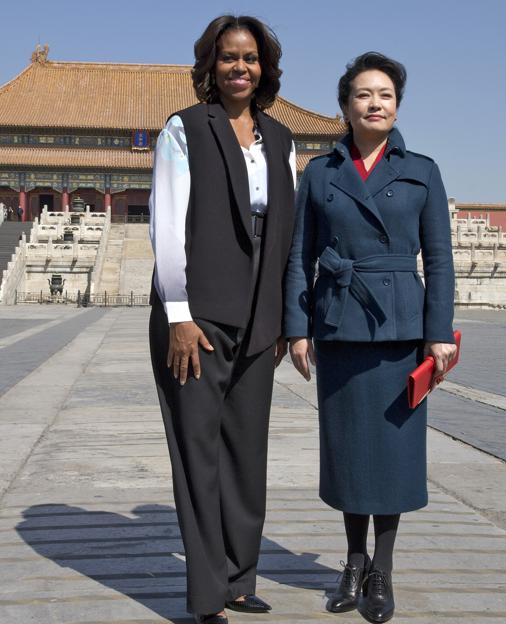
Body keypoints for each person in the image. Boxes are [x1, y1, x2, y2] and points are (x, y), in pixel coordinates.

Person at [283, 52, 457, 623]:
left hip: (400, 331)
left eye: (385, 94)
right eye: (363, 94)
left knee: (394, 456)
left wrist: (438, 334)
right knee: (349, 452)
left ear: (397, 105)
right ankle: (351, 561)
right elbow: (299, 257)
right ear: (346, 106)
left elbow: (438, 258)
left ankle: (381, 567)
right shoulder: (319, 172)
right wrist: (297, 329)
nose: (375, 103)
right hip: (338, 325)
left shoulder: (422, 169)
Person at [148, 15, 296, 624]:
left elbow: (287, 228)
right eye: (228, 57)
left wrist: (286, 315)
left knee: (245, 451)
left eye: (251, 58)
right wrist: (179, 313)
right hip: (200, 311)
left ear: (265, 67)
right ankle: (207, 592)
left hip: (261, 309)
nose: (241, 67)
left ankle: (241, 576)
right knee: (199, 452)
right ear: (210, 64)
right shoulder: (185, 129)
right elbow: (166, 220)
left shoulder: (281, 138)